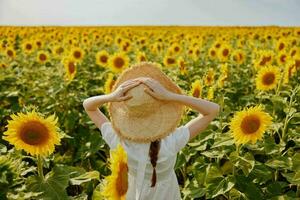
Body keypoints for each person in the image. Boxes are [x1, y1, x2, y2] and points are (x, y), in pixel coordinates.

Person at [83, 62, 220, 200]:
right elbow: (212, 110)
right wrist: (171, 96)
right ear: (159, 109)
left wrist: (111, 97)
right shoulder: (171, 141)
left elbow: (88, 106)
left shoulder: (119, 141)